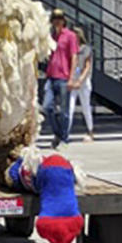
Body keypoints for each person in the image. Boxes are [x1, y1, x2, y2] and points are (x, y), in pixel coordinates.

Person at [43, 9, 78, 149]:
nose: (57, 21)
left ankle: (64, 137)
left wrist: (71, 77)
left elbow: (74, 57)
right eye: (54, 19)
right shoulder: (51, 36)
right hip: (51, 76)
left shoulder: (70, 36)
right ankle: (58, 133)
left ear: (64, 20)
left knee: (64, 111)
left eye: (59, 19)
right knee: (47, 107)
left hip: (63, 77)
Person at [67, 28, 95, 142]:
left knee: (85, 107)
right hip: (72, 81)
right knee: (69, 107)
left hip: (83, 81)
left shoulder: (86, 49)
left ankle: (90, 130)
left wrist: (80, 80)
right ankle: (65, 133)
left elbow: (87, 66)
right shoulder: (69, 49)